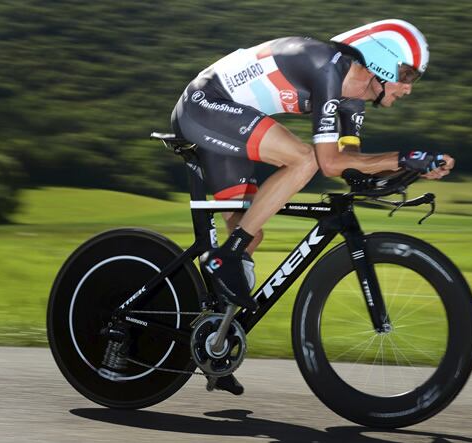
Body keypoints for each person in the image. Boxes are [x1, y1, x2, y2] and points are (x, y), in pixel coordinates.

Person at [170, 19, 455, 394]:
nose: (407, 89)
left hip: (228, 119)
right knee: (304, 160)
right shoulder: (326, 68)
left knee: (249, 237)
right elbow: (329, 164)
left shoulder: (353, 98)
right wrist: (404, 156)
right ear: (382, 62)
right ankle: (225, 256)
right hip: (206, 106)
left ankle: (212, 344)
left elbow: (349, 158)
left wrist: (407, 166)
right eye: (407, 76)